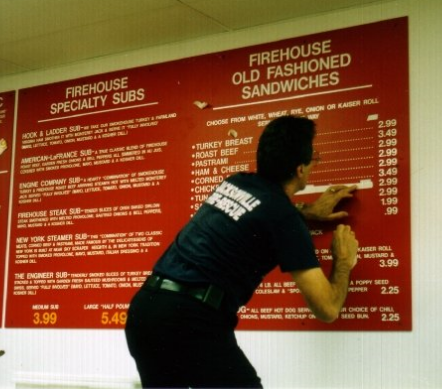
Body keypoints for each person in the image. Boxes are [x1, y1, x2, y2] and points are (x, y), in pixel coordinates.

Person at [125, 115, 359, 388]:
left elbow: (257, 215)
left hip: (146, 311)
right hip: (190, 319)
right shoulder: (284, 219)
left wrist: (307, 211)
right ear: (300, 169)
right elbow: (327, 308)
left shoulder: (235, 182)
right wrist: (343, 261)